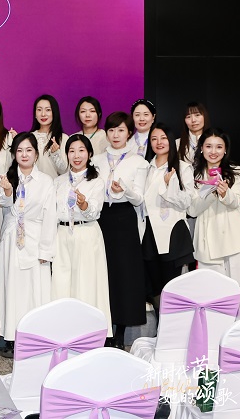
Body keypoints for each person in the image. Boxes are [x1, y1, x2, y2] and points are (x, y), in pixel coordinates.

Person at [92, 113, 149, 349]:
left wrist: (124, 189)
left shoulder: (139, 162)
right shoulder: (95, 160)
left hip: (124, 218)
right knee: (102, 272)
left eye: (121, 130)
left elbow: (139, 199)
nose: (116, 135)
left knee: (124, 274)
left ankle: (120, 333)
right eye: (112, 130)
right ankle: (103, 330)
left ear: (129, 133)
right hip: (100, 217)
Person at [0, 132, 56, 357]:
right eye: (19, 150)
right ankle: (11, 338)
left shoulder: (46, 181)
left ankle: (35, 338)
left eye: (28, 150)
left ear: (36, 154)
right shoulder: (8, 177)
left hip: (35, 239)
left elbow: (50, 217)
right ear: (14, 154)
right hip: (11, 240)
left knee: (34, 290)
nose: (24, 154)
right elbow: (4, 205)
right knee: (12, 289)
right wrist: (7, 191)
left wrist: (46, 250)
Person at [51, 134, 111, 336]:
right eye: (71, 151)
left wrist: (83, 204)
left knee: (86, 283)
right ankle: (62, 333)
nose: (76, 156)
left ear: (90, 154)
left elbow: (95, 212)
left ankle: (88, 334)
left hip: (86, 233)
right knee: (61, 283)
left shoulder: (96, 181)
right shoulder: (58, 182)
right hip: (61, 234)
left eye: (81, 151)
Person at [190, 128, 240, 285]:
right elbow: (192, 210)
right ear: (201, 148)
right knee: (213, 291)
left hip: (235, 240)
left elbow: (236, 202)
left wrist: (225, 193)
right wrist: (211, 191)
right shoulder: (193, 175)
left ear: (225, 149)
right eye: (208, 146)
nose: (213, 151)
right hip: (208, 243)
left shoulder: (238, 172)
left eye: (219, 147)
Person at [142, 123, 195, 317]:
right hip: (148, 232)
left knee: (173, 286)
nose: (159, 142)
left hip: (172, 232)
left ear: (171, 140)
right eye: (154, 139)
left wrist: (168, 186)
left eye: (163, 138)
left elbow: (186, 202)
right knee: (154, 287)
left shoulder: (182, 167)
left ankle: (174, 325)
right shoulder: (145, 168)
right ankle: (160, 326)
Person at [31, 94, 68, 179]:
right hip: (32, 185)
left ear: (54, 113)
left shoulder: (63, 138)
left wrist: (55, 153)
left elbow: (64, 171)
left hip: (54, 185)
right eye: (39, 110)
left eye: (48, 110)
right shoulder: (29, 138)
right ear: (35, 114)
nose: (43, 114)